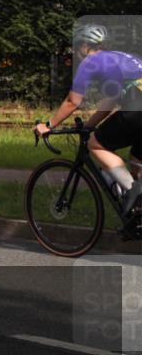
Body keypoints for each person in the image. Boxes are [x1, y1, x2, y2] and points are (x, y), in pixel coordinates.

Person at [34, 24, 142, 220]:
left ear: (84, 46)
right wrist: (89, 125)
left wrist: (48, 125)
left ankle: (135, 195)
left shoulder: (90, 61)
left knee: (96, 144)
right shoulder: (122, 57)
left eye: (77, 48)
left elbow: (73, 101)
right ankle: (137, 219)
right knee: (136, 163)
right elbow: (110, 103)